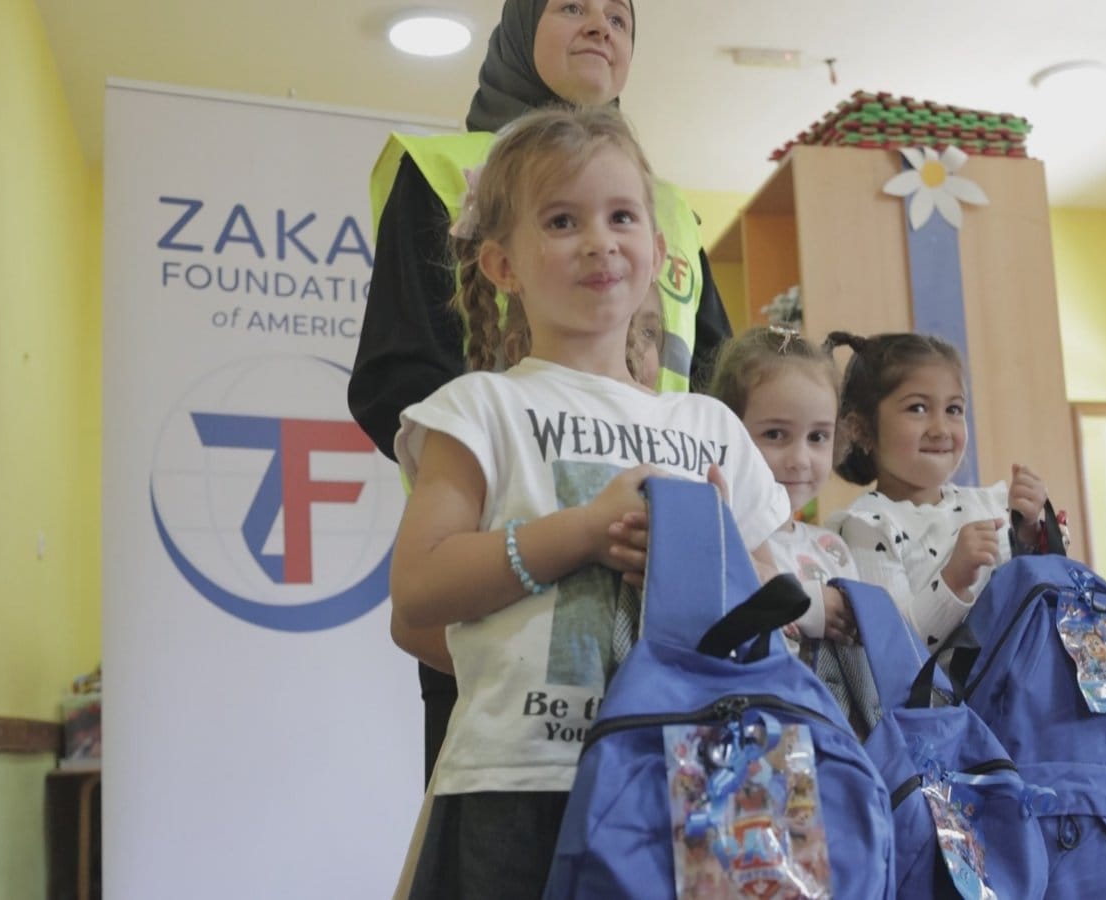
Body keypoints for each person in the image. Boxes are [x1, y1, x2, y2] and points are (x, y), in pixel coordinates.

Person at [386, 107, 788, 897]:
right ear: (502, 265)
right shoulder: (475, 408)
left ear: (659, 255)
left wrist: (710, 566)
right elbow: (419, 590)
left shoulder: (708, 423)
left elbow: (781, 611)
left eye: (622, 216)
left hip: (706, 771)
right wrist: (583, 532)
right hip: (523, 779)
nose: (600, 240)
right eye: (563, 220)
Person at [349, 0, 734, 783]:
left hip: (667, 607)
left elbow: (722, 380)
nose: (602, 26)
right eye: (573, 7)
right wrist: (532, 493)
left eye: (621, 18)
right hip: (501, 589)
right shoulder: (440, 171)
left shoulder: (676, 218)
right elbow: (398, 374)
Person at [823, 331, 1064, 649]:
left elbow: (1041, 599)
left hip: (1022, 690)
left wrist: (1032, 533)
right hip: (944, 699)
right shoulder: (868, 526)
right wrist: (953, 579)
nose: (940, 429)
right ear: (862, 429)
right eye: (918, 409)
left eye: (953, 410)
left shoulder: (989, 504)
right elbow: (895, 648)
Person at [708, 326, 859, 648]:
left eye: (817, 437)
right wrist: (808, 606)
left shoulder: (834, 548)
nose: (800, 460)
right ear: (728, 434)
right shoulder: (725, 543)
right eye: (775, 434)